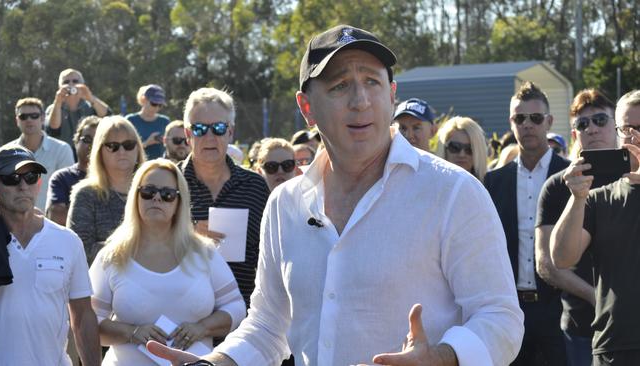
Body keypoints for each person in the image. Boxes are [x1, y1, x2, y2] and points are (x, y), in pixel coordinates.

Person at [149, 24, 523, 366]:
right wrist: (215, 363)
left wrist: (442, 358)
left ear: (392, 95)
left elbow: (501, 318)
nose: (360, 100)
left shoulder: (454, 192)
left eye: (373, 82)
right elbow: (267, 326)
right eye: (340, 85)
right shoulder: (285, 203)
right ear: (307, 107)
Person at [89, 159, 246, 364]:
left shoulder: (204, 252)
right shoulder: (112, 256)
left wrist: (202, 328)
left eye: (167, 194)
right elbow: (90, 322)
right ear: (135, 197)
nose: (157, 199)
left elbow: (236, 307)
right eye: (148, 191)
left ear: (179, 202)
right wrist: (132, 332)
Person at [551, 90, 640, 366]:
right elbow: (562, 257)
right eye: (627, 128)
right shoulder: (598, 198)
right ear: (617, 133)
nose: (635, 136)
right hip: (613, 348)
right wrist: (576, 199)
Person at [484, 81, 570, 365]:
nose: (528, 125)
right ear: (511, 122)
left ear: (549, 121)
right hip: (510, 308)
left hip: (559, 305)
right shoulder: (494, 181)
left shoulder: (571, 176)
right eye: (520, 118)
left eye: (535, 118)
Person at [0, 144, 100, 365]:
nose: (23, 185)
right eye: (12, 178)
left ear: (39, 183)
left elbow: (82, 317)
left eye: (30, 177)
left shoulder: (67, 241)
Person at [535, 89, 617, 366]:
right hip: (582, 325)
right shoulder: (557, 186)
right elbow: (546, 263)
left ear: (616, 124)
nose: (592, 128)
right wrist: (597, 297)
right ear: (574, 135)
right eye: (583, 124)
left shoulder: (635, 177)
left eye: (600, 120)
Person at [179, 87, 270, 309]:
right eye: (200, 129)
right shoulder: (169, 184)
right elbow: (144, 248)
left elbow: (271, 257)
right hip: (182, 317)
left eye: (218, 128)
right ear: (188, 134)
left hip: (243, 320)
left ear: (230, 132)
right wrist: (187, 236)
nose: (210, 137)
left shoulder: (255, 187)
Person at [67, 115, 146, 265]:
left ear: (138, 149)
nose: (122, 151)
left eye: (128, 145)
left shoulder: (151, 191)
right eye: (113, 146)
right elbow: (80, 251)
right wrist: (134, 246)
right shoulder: (86, 195)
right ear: (99, 152)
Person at [10, 97, 74, 210]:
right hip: (15, 223)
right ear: (17, 120)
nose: (29, 120)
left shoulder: (62, 149)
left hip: (51, 222)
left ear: (43, 118)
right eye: (23, 116)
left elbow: (70, 190)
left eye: (34, 115)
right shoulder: (8, 152)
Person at [46, 116, 100, 225]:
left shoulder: (114, 177)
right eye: (87, 139)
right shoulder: (61, 178)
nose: (92, 145)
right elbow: (57, 217)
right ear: (76, 142)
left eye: (98, 141)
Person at [45, 68, 110, 148]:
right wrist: (58, 102)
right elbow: (53, 129)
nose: (71, 84)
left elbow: (108, 117)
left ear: (83, 85)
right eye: (66, 82)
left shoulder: (91, 106)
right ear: (59, 87)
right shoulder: (53, 108)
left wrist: (90, 98)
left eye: (75, 81)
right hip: (62, 155)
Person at [436, 116, 488, 182]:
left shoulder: (490, 187)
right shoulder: (431, 183)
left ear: (478, 151)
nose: (462, 154)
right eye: (455, 147)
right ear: (443, 149)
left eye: (469, 149)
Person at [126, 84, 171, 159]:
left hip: (160, 166)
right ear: (143, 99)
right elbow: (124, 149)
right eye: (154, 104)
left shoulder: (165, 121)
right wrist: (146, 143)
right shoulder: (131, 120)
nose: (157, 108)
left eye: (160, 105)